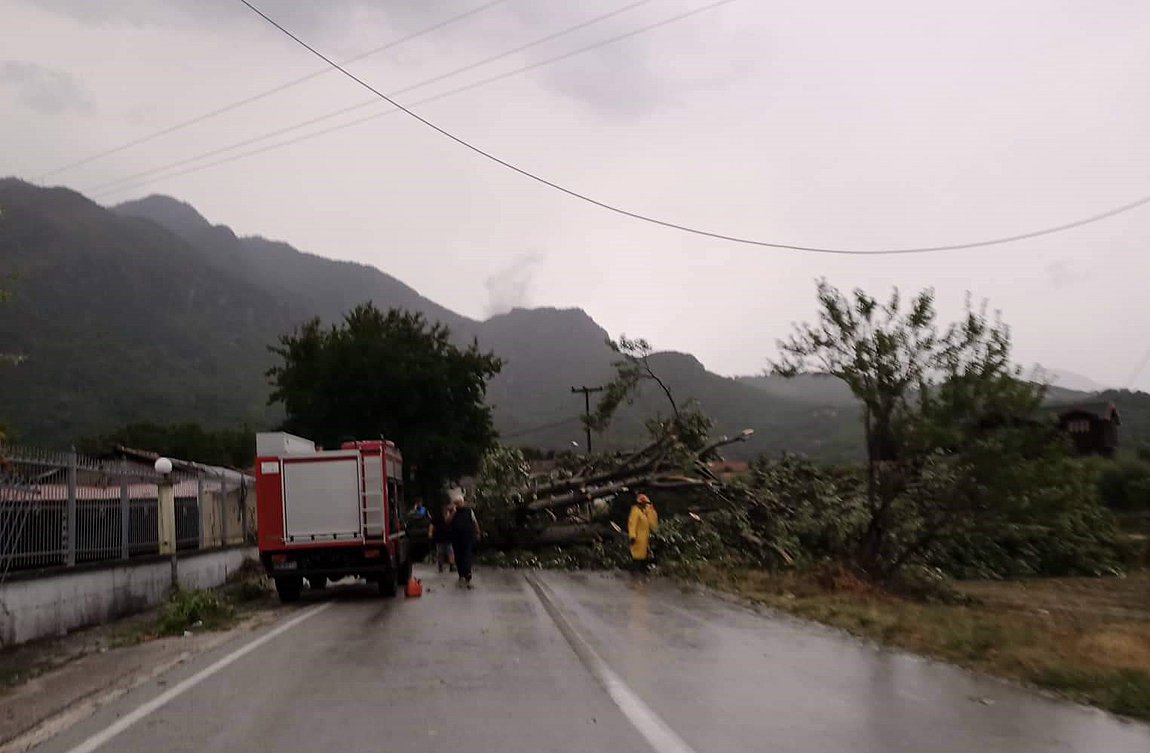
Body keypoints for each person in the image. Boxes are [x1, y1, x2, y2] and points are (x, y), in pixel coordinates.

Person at [447, 496, 482, 588]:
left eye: (460, 502)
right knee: (458, 555)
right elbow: (447, 521)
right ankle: (461, 573)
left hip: (467, 536)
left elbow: (474, 522)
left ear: (463, 502)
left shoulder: (469, 511)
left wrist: (478, 532)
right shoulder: (452, 511)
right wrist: (453, 513)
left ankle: (468, 572)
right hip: (456, 537)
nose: (459, 504)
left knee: (467, 554)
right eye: (457, 503)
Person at [627, 493, 658, 572]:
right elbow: (632, 524)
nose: (646, 505)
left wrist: (652, 511)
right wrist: (632, 536)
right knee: (637, 557)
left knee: (644, 557)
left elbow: (653, 524)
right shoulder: (635, 511)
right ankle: (635, 573)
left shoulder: (644, 512)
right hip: (637, 539)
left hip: (645, 540)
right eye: (644, 503)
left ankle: (641, 571)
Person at [429, 503, 455, 573]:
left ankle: (452, 566)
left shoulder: (451, 515)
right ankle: (440, 566)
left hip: (449, 536)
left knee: (450, 551)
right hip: (439, 536)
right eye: (444, 508)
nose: (445, 509)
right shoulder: (438, 516)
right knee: (440, 552)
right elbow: (432, 524)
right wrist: (430, 532)